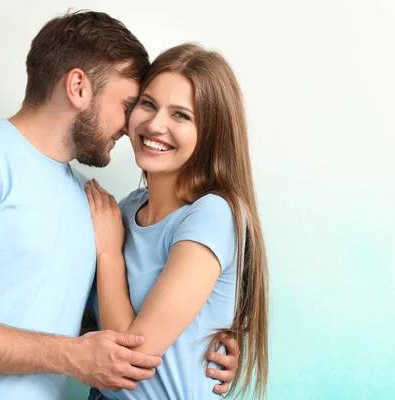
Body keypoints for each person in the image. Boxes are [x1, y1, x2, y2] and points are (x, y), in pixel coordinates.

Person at [0, 11, 238, 400]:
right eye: (134, 104)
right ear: (79, 87)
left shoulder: (94, 205)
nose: (135, 123)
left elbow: (83, 329)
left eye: (177, 113)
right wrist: (69, 356)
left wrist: (203, 344)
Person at [84, 43, 269, 400]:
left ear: (210, 132)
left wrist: (109, 253)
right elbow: (94, 327)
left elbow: (129, 361)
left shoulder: (213, 214)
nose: (155, 125)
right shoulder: (123, 211)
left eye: (181, 115)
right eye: (149, 104)